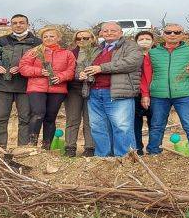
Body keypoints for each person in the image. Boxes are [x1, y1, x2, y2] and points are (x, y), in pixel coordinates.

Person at [141, 23, 189, 158]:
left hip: (185, 95)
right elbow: (146, 76)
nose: (172, 35)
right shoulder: (152, 53)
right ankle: (154, 152)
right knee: (156, 125)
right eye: (169, 32)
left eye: (177, 32)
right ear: (163, 34)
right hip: (159, 95)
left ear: (183, 35)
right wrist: (145, 95)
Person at [79, 22, 143, 157]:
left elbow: (131, 63)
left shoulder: (131, 46)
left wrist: (101, 68)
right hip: (94, 92)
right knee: (97, 127)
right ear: (101, 33)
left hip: (118, 93)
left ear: (121, 33)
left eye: (113, 30)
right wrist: (81, 73)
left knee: (122, 127)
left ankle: (125, 157)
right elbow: (82, 65)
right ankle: (103, 156)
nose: (109, 33)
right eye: (105, 30)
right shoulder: (97, 49)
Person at [0, 14, 42, 148]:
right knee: (0, 118)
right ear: (11, 25)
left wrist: (23, 68)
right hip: (2, 86)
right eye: (15, 23)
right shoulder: (1, 40)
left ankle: (23, 149)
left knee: (25, 119)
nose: (18, 25)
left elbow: (41, 63)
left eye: (21, 22)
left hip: (26, 86)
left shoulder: (37, 42)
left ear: (27, 24)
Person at [19, 26, 75, 149]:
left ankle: (46, 146)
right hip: (36, 88)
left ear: (58, 38)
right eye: (45, 36)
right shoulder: (33, 52)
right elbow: (23, 68)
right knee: (38, 113)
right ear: (42, 38)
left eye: (52, 36)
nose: (48, 38)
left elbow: (71, 71)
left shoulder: (67, 53)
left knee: (50, 117)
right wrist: (39, 71)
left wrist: (61, 77)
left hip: (58, 89)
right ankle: (31, 144)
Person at [64, 29, 96, 157]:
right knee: (72, 119)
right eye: (79, 38)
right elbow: (65, 70)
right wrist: (76, 76)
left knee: (90, 120)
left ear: (92, 38)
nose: (82, 40)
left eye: (86, 38)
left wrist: (90, 75)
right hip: (73, 88)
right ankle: (70, 147)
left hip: (93, 88)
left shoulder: (99, 52)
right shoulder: (70, 53)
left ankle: (90, 147)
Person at [134, 30, 154, 155]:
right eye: (141, 39)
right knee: (136, 123)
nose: (144, 41)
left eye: (147, 39)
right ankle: (138, 148)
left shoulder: (156, 56)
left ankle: (154, 148)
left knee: (155, 123)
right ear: (136, 42)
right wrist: (144, 93)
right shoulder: (133, 56)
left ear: (153, 41)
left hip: (156, 94)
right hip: (136, 93)